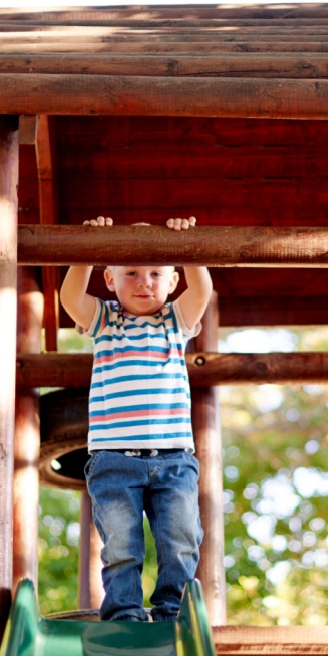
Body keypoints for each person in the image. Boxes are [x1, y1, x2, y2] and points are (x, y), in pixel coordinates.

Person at [59, 215, 213, 622]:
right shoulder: (105, 320)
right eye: (131, 272)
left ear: (172, 280)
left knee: (181, 539)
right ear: (109, 280)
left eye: (155, 273)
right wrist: (89, 248)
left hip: (173, 458)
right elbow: (71, 296)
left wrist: (188, 247)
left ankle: (171, 613)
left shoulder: (174, 322)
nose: (144, 281)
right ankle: (125, 614)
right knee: (121, 547)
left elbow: (203, 290)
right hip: (114, 459)